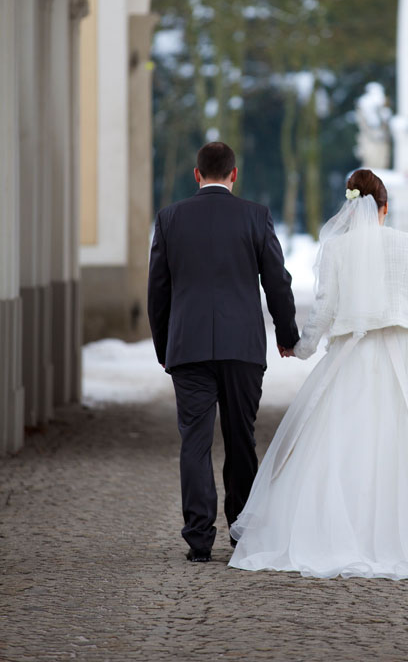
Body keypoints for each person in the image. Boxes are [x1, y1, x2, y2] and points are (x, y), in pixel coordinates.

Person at [229, 168, 408, 582]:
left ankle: (340, 533)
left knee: (345, 446)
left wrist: (302, 347)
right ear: (385, 207)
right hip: (405, 357)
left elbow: (325, 310)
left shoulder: (336, 250)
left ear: (349, 207)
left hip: (353, 356)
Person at [147, 141, 299, 563]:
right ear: (235, 174)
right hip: (242, 348)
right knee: (240, 439)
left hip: (189, 348)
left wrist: (165, 346)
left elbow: (157, 291)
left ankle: (198, 538)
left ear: (196, 175)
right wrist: (286, 334)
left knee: (194, 443)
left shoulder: (170, 218)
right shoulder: (256, 216)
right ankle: (241, 531)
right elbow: (277, 282)